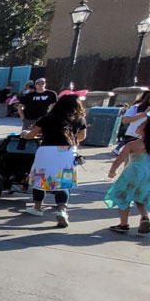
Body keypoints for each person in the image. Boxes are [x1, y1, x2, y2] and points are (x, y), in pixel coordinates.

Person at [21, 94, 87, 228]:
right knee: (63, 182)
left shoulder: (47, 118)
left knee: (40, 179)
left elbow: (30, 135)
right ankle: (62, 210)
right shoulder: (79, 119)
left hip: (46, 151)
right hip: (67, 152)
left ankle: (37, 207)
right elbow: (82, 136)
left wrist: (24, 134)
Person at [104, 122, 149, 234]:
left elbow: (120, 159)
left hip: (132, 174)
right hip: (148, 176)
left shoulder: (132, 144)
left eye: (141, 125)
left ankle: (123, 224)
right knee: (140, 197)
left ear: (144, 130)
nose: (138, 126)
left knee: (122, 196)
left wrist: (112, 171)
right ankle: (144, 217)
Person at [113, 91, 149, 155]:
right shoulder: (136, 107)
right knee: (133, 160)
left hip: (145, 138)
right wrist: (143, 115)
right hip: (133, 136)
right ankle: (117, 149)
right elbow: (125, 120)